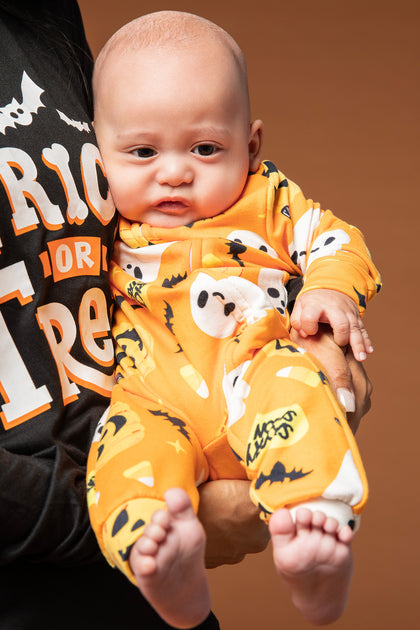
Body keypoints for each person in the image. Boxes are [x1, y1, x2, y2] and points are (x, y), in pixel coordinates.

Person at [87, 10, 381, 629]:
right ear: (99, 155)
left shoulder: (266, 200)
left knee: (299, 387)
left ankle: (315, 540)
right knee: (120, 454)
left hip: (256, 373)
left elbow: (336, 240)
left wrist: (330, 288)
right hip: (152, 401)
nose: (174, 171)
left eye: (204, 147)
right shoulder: (101, 227)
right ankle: (160, 562)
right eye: (142, 151)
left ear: (249, 147)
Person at [0, 2, 272, 628]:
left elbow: (170, 199)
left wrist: (314, 329)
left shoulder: (41, 15)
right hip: (64, 562)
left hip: (136, 581)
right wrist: (134, 519)